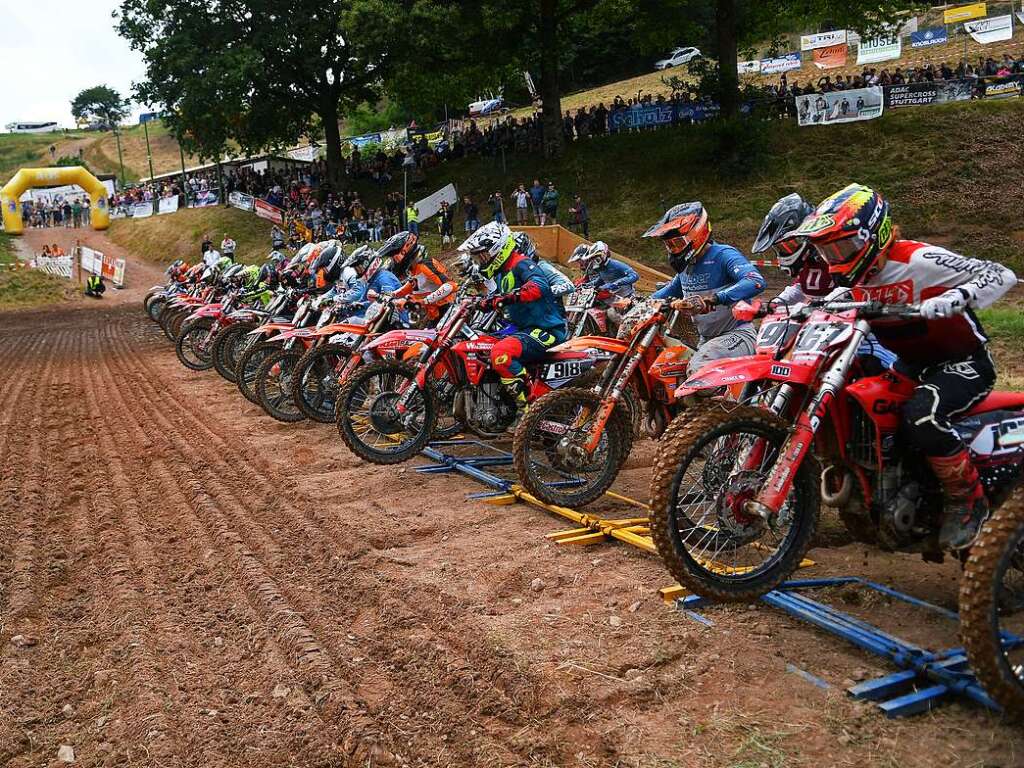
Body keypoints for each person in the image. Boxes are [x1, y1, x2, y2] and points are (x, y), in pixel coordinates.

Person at [794, 183, 1017, 550]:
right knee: (863, 402)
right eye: (827, 249)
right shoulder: (856, 280)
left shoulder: (917, 260)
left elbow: (1001, 274)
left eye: (842, 246)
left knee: (922, 413)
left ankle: (967, 500)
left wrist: (955, 297)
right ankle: (890, 493)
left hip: (963, 363)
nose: (835, 257)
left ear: (874, 235)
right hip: (911, 366)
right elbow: (836, 301)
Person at [647, 202, 766, 375]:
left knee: (698, 372)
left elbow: (755, 280)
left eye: (677, 243)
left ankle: (729, 401)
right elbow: (665, 293)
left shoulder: (723, 254)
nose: (673, 250)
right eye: (669, 245)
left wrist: (716, 298)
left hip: (737, 334)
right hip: (707, 340)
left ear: (697, 234)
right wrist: (639, 303)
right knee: (670, 371)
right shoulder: (687, 267)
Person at [458, 222, 567, 409]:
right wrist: (479, 303)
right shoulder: (502, 273)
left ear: (497, 249)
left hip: (546, 330)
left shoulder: (521, 263)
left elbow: (539, 286)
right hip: (523, 329)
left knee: (501, 354)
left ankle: (529, 410)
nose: (481, 261)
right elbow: (497, 299)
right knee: (481, 344)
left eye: (482, 255)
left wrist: (509, 297)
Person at [380, 231, 457, 318]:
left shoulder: (424, 265)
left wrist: (425, 301)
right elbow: (410, 286)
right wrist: (390, 294)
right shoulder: (413, 269)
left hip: (447, 311)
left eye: (393, 256)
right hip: (432, 314)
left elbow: (450, 286)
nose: (393, 260)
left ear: (405, 251)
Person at [514, 231, 574, 297]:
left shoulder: (542, 267)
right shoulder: (514, 272)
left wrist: (540, 292)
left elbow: (568, 285)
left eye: (516, 252)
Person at [569, 240, 638, 298]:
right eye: (592, 259)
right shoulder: (599, 268)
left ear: (603, 254)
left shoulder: (614, 264)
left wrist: (616, 283)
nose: (595, 261)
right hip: (613, 297)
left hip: (627, 296)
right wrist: (587, 285)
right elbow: (601, 280)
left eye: (596, 258)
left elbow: (634, 275)